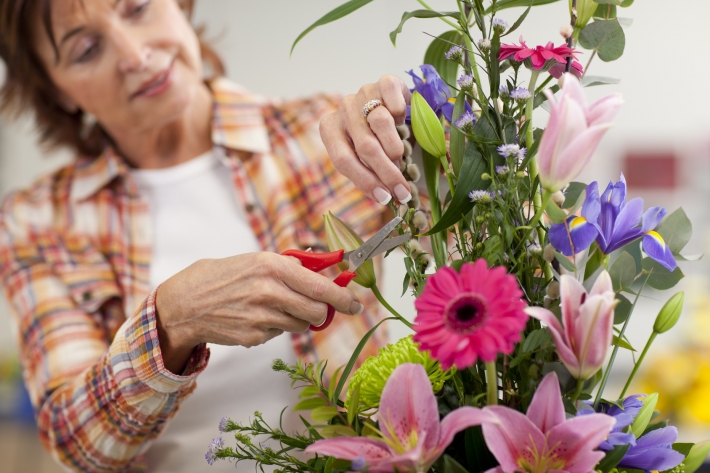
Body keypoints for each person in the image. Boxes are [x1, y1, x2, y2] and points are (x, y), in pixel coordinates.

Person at [0, 0, 412, 472]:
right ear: (55, 90)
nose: (135, 55)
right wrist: (171, 323)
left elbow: (484, 219)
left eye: (136, 8)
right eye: (88, 49)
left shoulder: (321, 138)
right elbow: (79, 445)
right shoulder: (36, 222)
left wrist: (419, 134)